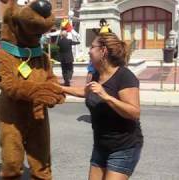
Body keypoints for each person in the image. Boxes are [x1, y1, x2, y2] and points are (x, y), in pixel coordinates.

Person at [61, 32, 143, 179]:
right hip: (101, 144)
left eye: (92, 47)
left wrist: (106, 97)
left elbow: (134, 112)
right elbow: (85, 92)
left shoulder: (125, 77)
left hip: (124, 148)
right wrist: (60, 88)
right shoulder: (97, 75)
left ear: (103, 50)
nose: (89, 50)